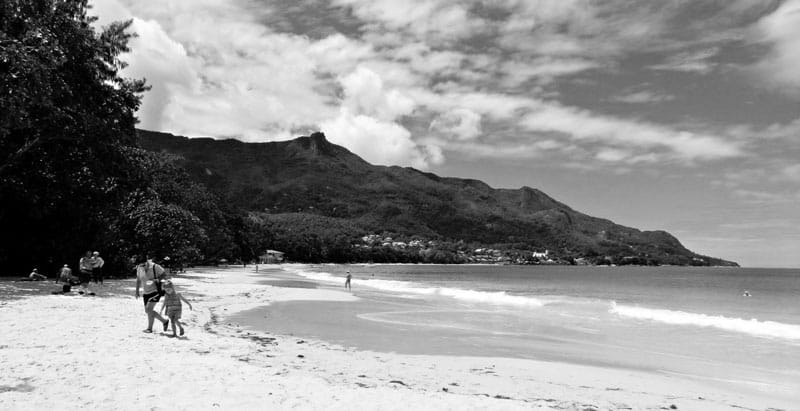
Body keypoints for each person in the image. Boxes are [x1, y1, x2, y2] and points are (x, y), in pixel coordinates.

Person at [134, 255, 169, 333]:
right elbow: (138, 280)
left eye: (143, 264)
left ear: (146, 261)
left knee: (149, 309)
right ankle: (164, 321)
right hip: (146, 292)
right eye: (140, 265)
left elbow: (165, 275)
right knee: (148, 311)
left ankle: (150, 328)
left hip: (156, 291)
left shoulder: (155, 266)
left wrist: (157, 279)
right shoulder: (139, 268)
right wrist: (137, 291)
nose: (142, 266)